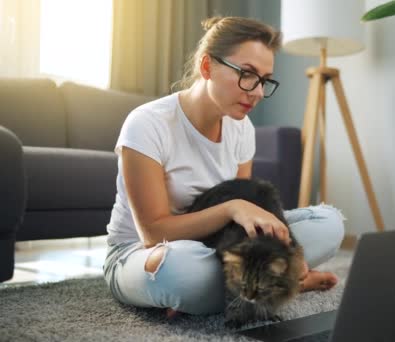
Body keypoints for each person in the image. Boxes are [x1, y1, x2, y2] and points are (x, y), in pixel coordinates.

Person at [103, 16, 345, 318]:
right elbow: (153, 232)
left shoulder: (241, 128)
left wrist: (287, 247)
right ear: (207, 67)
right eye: (247, 74)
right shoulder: (147, 124)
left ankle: (224, 293)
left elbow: (243, 225)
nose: (257, 92)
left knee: (329, 223)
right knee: (177, 270)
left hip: (218, 247)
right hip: (145, 251)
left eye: (265, 79)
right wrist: (233, 208)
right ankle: (277, 287)